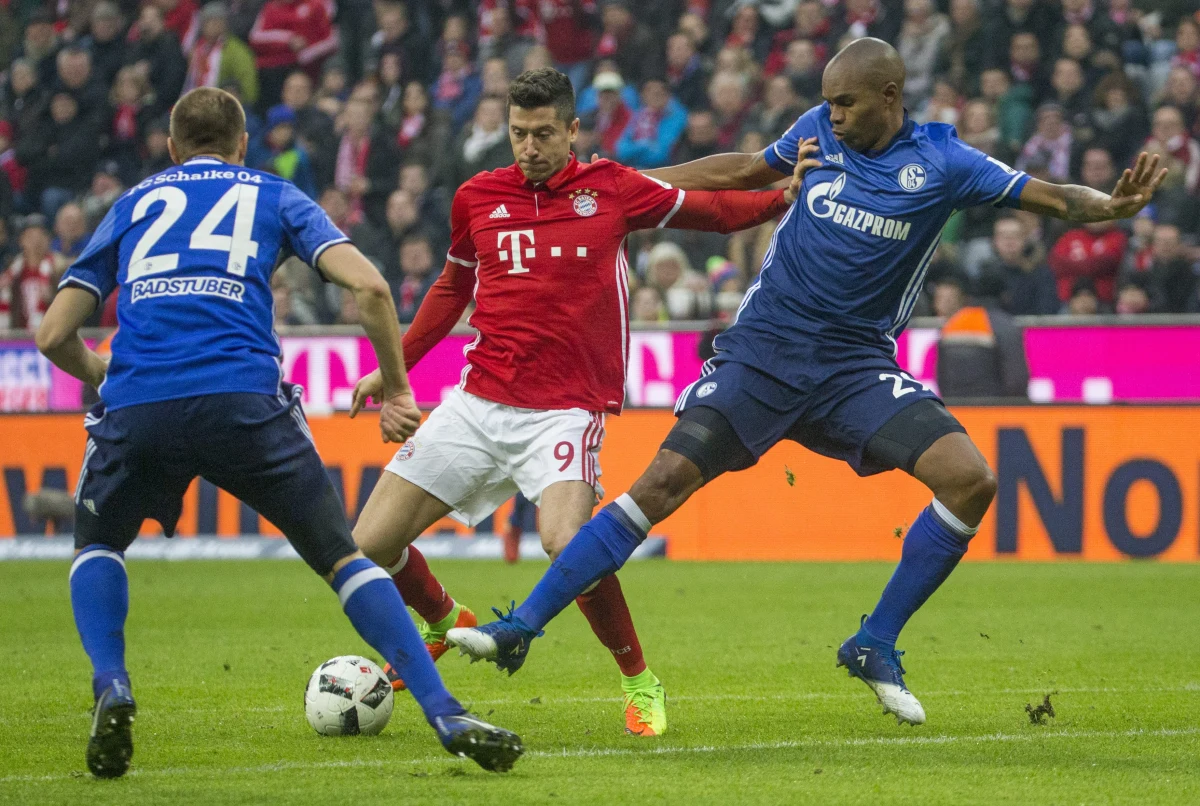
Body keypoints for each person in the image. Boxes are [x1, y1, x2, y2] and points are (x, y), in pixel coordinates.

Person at [445, 38, 1167, 727]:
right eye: (829, 103)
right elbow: (743, 172)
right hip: (762, 355)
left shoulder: (944, 162)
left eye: (847, 103)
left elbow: (1048, 196)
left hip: (854, 368)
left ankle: (873, 643)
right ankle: (521, 627)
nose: (835, 116)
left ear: (890, 95)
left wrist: (1108, 206)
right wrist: (635, 185)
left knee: (970, 479)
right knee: (660, 484)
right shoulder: (820, 129)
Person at [34, 87, 522, 780]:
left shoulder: (136, 202)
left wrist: (102, 373)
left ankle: (112, 680)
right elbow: (374, 290)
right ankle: (443, 708)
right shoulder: (272, 193)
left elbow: (53, 332)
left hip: (141, 403)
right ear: (241, 145)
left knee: (99, 543)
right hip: (245, 401)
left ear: (172, 148)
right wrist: (399, 388)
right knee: (345, 558)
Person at [347, 68, 797, 738]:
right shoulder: (477, 196)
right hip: (477, 401)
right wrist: (396, 369)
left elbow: (711, 212)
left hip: (565, 409)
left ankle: (638, 679)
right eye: (517, 133)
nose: (527, 147)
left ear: (572, 130)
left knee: (566, 542)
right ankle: (448, 621)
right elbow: (451, 287)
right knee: (367, 544)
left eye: (542, 134)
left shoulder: (610, 188)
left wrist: (781, 200)